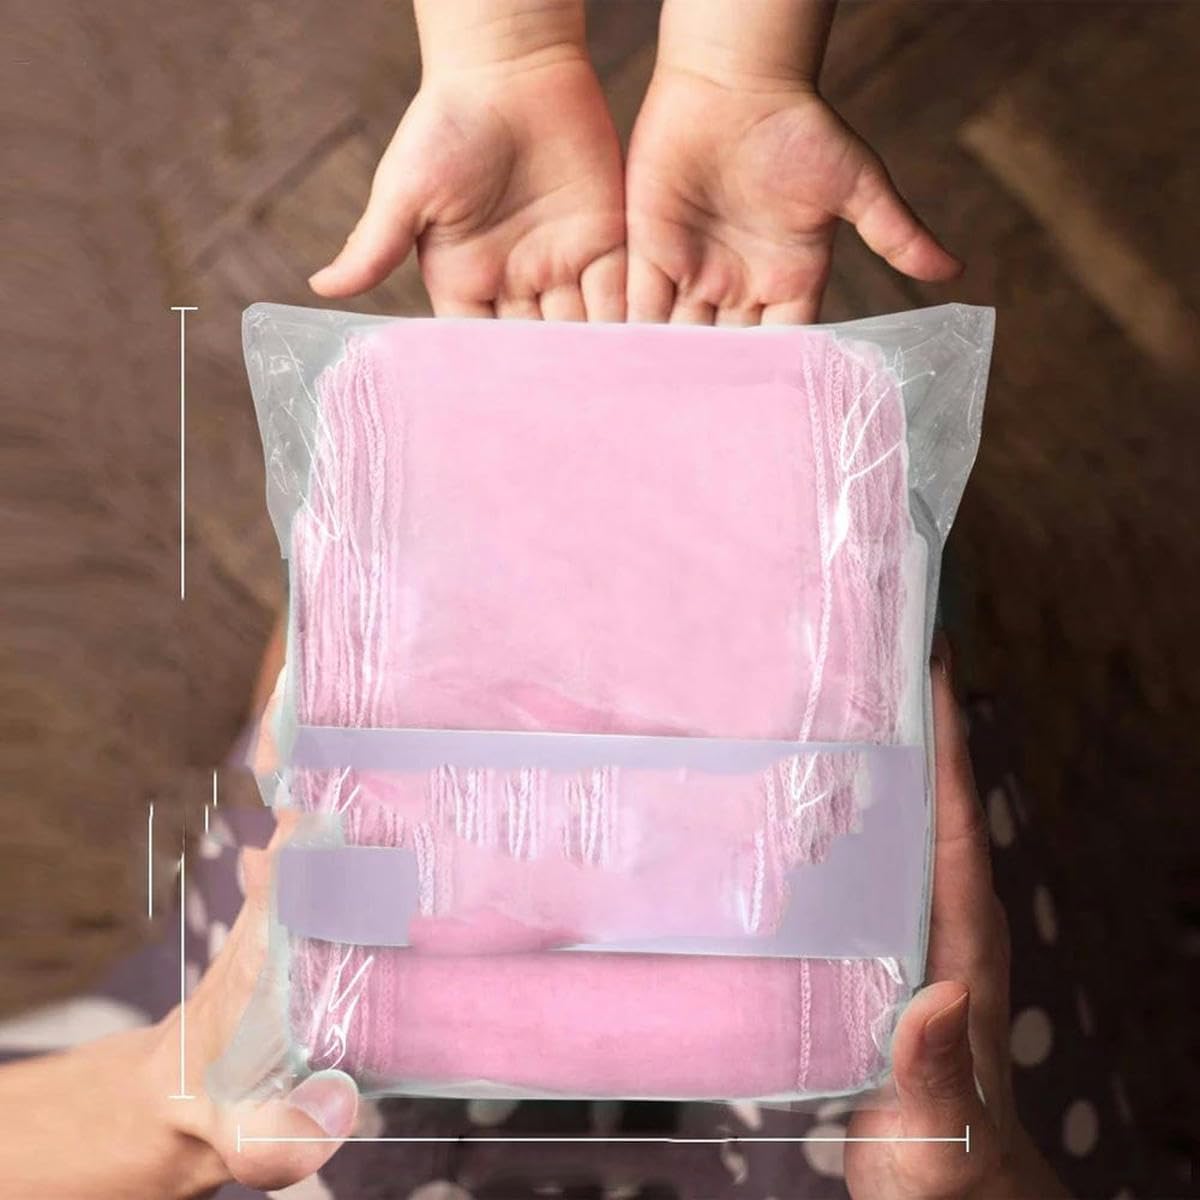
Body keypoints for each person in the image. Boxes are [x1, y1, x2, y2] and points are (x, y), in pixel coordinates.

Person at [0, 2, 1078, 1196]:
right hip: (788, 1060)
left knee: (368, 697)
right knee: (871, 834)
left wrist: (519, 53)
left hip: (324, 1025)